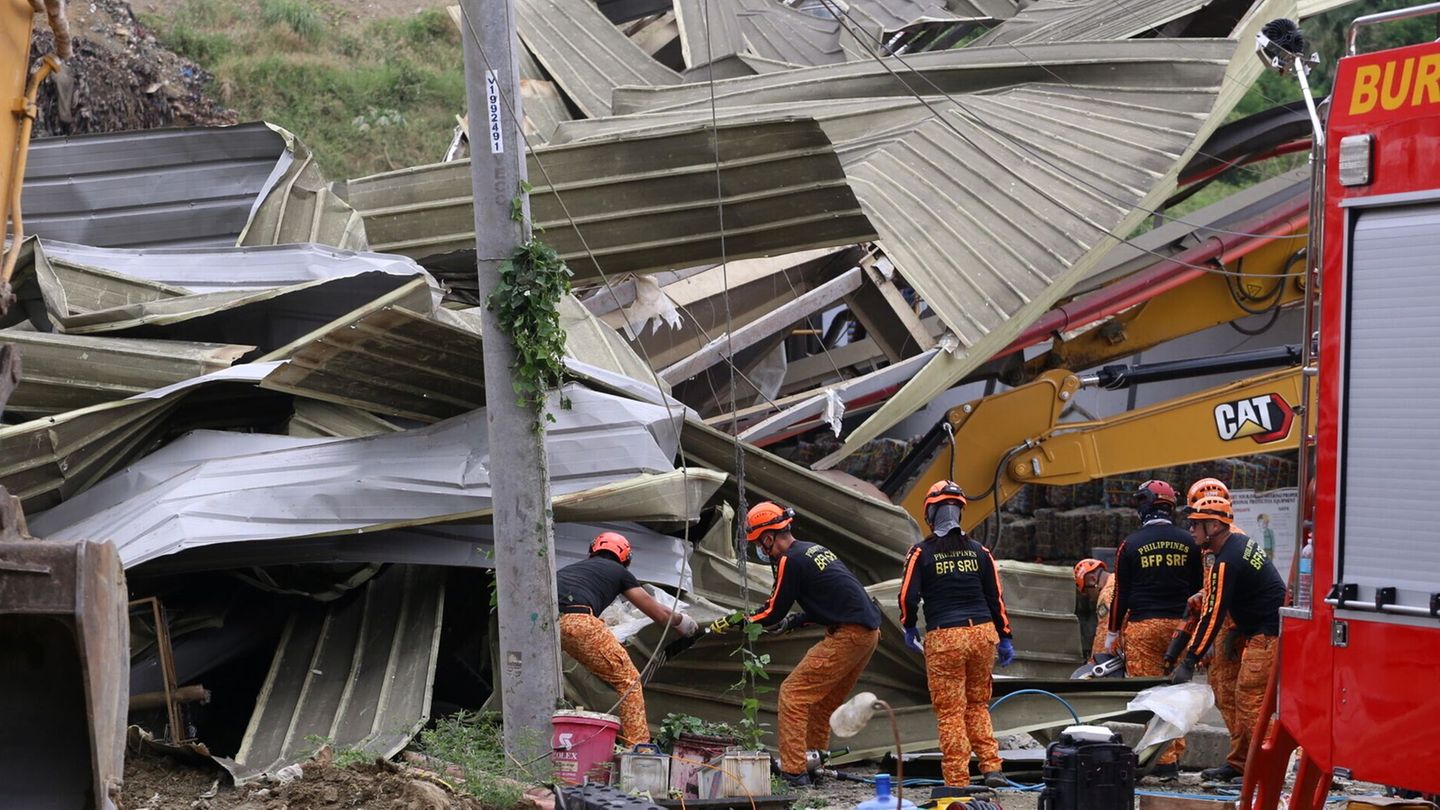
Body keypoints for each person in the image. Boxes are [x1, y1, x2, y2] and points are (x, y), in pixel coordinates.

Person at [714, 501, 882, 787]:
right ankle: (815, 763)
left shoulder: (789, 559)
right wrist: (791, 624)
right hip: (868, 634)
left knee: (792, 694)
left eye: (758, 542)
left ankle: (794, 770)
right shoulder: (812, 549)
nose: (760, 549)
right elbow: (826, 603)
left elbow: (772, 611)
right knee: (822, 702)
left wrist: (739, 620)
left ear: (768, 537)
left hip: (849, 634)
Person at [899, 481, 1013, 788]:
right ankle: (992, 769)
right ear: (960, 512)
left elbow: (908, 597)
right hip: (982, 635)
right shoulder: (980, 552)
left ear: (930, 513)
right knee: (977, 705)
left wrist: (908, 626)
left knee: (951, 712)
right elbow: (996, 598)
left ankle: (958, 781)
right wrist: (1005, 637)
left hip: (945, 637)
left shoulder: (920, 553)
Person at [1170, 496, 1287, 785]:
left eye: (1196, 525)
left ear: (1214, 525)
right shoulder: (1235, 544)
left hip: (1269, 633)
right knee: (1239, 697)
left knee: (1251, 700)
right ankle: (1239, 764)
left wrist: (1189, 659)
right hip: (1259, 628)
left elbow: (1212, 614)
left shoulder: (1227, 561)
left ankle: (1267, 771)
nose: (1191, 531)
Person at [557, 531, 699, 746]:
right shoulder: (619, 572)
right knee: (629, 682)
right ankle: (639, 749)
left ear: (591, 552)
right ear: (626, 559)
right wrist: (683, 622)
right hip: (580, 622)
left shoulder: (568, 570)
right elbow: (659, 615)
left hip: (547, 626)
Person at [1102, 480, 1202, 779]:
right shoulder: (1190, 542)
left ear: (1144, 505)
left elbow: (1120, 594)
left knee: (1152, 696)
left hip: (1144, 627)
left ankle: (1162, 761)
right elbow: (1200, 590)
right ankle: (1174, 755)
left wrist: (1112, 634)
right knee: (1177, 694)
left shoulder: (1130, 544)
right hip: (1182, 628)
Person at [1183, 478, 1249, 779]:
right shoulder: (1227, 540)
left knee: (1230, 694)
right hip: (1230, 624)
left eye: (1197, 522)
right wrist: (1203, 592)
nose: (1193, 529)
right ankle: (1242, 759)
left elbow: (1223, 593)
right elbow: (1217, 585)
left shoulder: (1225, 545)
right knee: (1231, 695)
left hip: (1231, 628)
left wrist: (1193, 653)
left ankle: (1243, 761)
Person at [1073, 558, 1114, 661]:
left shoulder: (1106, 595)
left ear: (1093, 579)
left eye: (1086, 591)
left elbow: (1104, 633)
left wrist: (1093, 663)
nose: (1089, 597)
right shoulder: (1117, 579)